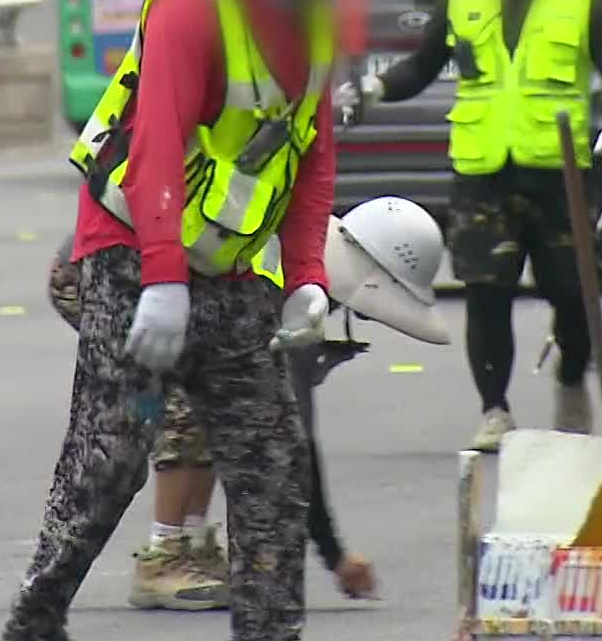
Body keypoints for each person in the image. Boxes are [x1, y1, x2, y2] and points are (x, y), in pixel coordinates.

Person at [4, 0, 387, 641]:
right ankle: (36, 619)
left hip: (236, 273)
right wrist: (164, 280)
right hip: (129, 256)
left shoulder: (316, 23)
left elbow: (311, 156)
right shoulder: (195, 4)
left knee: (272, 475)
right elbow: (154, 149)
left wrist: (307, 274)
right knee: (107, 465)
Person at [335, 0, 602, 452]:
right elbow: (422, 66)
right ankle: (494, 410)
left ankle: (571, 377)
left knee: (575, 295)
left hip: (560, 172)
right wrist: (372, 89)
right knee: (486, 292)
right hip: (483, 172)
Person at [45, 197, 451, 611]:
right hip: (95, 275)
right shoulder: (284, 280)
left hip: (144, 275)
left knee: (219, 398)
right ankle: (165, 556)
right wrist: (336, 556)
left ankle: (193, 543)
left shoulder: (306, 255)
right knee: (200, 401)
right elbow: (295, 440)